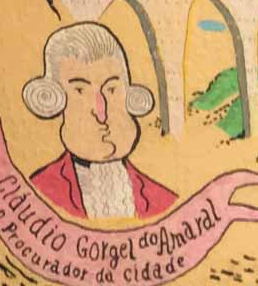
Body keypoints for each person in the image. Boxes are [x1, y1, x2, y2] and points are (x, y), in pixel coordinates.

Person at [22, 22, 175, 221]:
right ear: (55, 98)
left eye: (111, 89)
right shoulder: (37, 193)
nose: (100, 111)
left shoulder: (161, 201)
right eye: (80, 91)